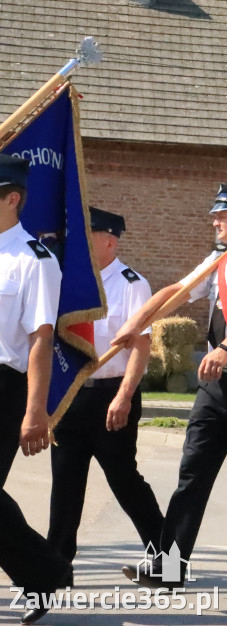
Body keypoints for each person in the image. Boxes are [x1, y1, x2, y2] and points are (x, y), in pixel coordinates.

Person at [115, 183, 227, 591]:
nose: (214, 221)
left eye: (221, 215)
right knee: (191, 475)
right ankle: (170, 568)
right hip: (214, 386)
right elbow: (176, 291)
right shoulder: (218, 259)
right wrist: (137, 322)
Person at [47, 208, 164, 574]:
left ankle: (168, 561)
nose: (79, 242)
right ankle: (55, 567)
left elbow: (140, 347)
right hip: (73, 393)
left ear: (110, 241)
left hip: (111, 393)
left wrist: (124, 396)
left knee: (124, 481)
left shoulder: (131, 284)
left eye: (89, 235)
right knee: (65, 484)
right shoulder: (71, 279)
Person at [0, 153, 72, 625]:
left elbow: (41, 340)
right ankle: (47, 572)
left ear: (11, 198)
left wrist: (35, 411)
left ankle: (43, 573)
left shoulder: (35, 259)